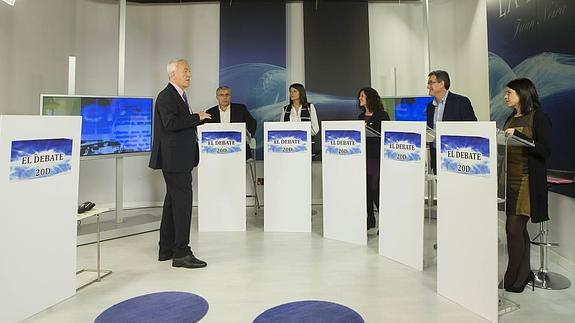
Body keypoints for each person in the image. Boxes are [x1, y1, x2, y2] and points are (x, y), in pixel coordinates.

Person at [149, 59, 211, 269]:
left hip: (178, 159)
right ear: (173, 74)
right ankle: (182, 253)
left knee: (172, 203)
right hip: (175, 160)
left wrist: (195, 118)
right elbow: (171, 124)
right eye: (185, 71)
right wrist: (197, 117)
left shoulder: (179, 95)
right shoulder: (167, 96)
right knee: (183, 205)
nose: (189, 74)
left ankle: (166, 249)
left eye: (190, 71)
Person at [502, 78, 551, 293]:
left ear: (522, 94)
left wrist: (520, 136)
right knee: (517, 231)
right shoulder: (510, 118)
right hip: (507, 181)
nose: (505, 96)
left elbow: (544, 150)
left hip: (526, 181)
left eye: (509, 92)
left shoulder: (539, 118)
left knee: (513, 229)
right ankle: (524, 273)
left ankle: (511, 274)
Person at [426, 70, 477, 173]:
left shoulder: (461, 102)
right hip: (437, 157)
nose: (428, 86)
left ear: (442, 84)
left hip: (457, 158)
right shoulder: (430, 107)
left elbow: (472, 127)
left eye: (431, 83)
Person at [358, 87, 390, 230]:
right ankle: (370, 219)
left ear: (369, 98)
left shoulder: (382, 115)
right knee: (365, 189)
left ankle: (384, 220)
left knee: (374, 188)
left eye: (362, 96)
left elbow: (388, 135)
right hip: (363, 157)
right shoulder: (360, 117)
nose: (360, 98)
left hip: (376, 157)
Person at [205, 86, 257, 159]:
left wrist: (248, 137)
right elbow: (206, 132)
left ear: (230, 96)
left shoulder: (240, 109)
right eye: (221, 95)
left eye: (227, 95)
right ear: (217, 97)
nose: (224, 97)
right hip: (217, 148)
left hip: (238, 147)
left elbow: (252, 122)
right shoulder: (210, 112)